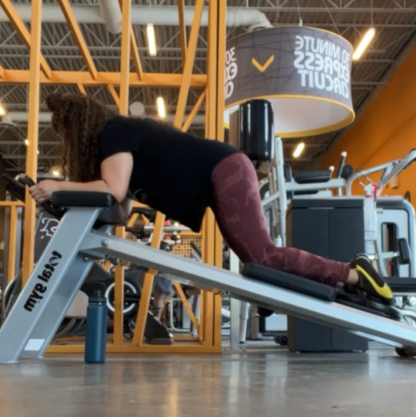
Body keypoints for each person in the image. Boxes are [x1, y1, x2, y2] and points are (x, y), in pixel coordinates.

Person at [28, 92, 393, 305]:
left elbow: (114, 192)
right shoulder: (113, 143)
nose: (68, 143)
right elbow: (120, 209)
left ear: (79, 127)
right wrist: (66, 197)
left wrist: (58, 186)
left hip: (226, 169)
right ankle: (343, 280)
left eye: (66, 134)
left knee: (261, 255)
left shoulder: (114, 131)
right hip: (221, 171)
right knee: (256, 259)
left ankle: (352, 273)